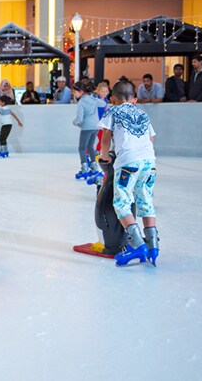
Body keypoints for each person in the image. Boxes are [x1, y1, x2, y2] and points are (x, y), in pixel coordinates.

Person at [99, 80, 159, 267]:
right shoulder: (142, 113)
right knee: (145, 200)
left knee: (121, 203)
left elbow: (106, 137)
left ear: (113, 99)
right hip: (149, 161)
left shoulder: (113, 111)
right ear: (134, 99)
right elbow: (151, 138)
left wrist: (105, 156)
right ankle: (153, 245)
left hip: (128, 162)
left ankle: (137, 245)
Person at [72, 81, 107, 179]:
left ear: (81, 91)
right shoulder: (93, 99)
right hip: (95, 126)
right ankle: (94, 167)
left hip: (86, 127)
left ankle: (84, 169)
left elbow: (79, 118)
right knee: (90, 146)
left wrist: (75, 122)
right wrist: (95, 97)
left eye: (75, 92)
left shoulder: (81, 102)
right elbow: (103, 103)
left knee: (82, 148)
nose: (74, 94)